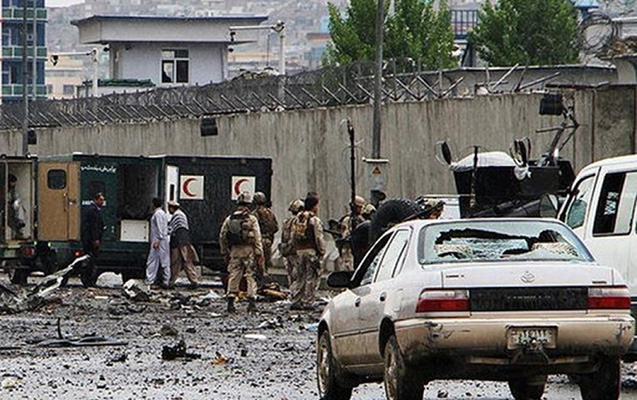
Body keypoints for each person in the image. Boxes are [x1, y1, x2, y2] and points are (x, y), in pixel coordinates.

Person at [220, 191, 263, 313]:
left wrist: (224, 251)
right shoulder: (251, 219)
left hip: (235, 250)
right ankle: (251, 302)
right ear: (248, 205)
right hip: (249, 250)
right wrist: (259, 252)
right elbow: (257, 237)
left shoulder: (229, 219)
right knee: (250, 275)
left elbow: (222, 236)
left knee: (234, 274)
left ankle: (231, 301)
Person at [289, 191, 326, 311]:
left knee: (300, 276)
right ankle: (308, 302)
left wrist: (294, 249)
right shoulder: (314, 220)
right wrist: (322, 251)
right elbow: (318, 238)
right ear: (314, 206)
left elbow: (292, 236)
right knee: (311, 277)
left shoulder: (297, 218)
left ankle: (296, 300)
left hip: (299, 251)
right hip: (311, 252)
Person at [167, 200, 199, 289]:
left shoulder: (177, 215)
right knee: (186, 262)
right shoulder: (182, 214)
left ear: (172, 208)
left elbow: (172, 229)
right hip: (184, 241)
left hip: (179, 242)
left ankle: (171, 282)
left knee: (176, 262)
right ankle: (194, 280)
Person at [145, 197, 170, 288]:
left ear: (153, 204)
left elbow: (160, 228)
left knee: (152, 260)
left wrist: (158, 240)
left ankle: (150, 279)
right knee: (165, 260)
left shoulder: (157, 214)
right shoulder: (162, 213)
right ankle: (166, 280)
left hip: (158, 240)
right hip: (163, 240)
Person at [252, 191, 278, 277]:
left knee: (257, 265)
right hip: (268, 242)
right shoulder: (270, 213)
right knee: (266, 265)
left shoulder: (254, 214)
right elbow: (276, 228)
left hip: (258, 242)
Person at [337, 195, 366, 271]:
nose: (361, 209)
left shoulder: (361, 219)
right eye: (359, 207)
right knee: (348, 268)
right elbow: (345, 235)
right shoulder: (348, 220)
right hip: (349, 248)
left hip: (358, 249)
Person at [279, 199, 304, 287]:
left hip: (286, 250)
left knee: (290, 274)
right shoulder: (298, 221)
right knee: (298, 274)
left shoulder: (286, 221)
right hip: (294, 251)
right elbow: (295, 237)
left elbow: (283, 237)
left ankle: (292, 290)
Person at [81, 192, 105, 259]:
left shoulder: (94, 209)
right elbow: (94, 226)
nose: (102, 202)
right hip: (90, 239)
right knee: (92, 255)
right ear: (95, 200)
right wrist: (95, 238)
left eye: (103, 200)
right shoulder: (93, 210)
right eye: (101, 200)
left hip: (90, 238)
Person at [7, 174, 26, 239]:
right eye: (13, 182)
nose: (14, 184)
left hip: (11, 207)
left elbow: (17, 197)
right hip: (5, 206)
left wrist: (16, 202)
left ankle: (20, 222)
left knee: (20, 208)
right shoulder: (4, 190)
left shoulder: (13, 191)